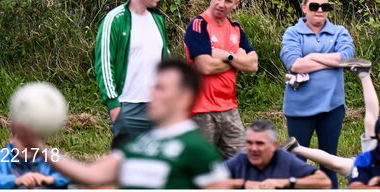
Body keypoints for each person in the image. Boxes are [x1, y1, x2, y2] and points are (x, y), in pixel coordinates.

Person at [13, 58, 229, 190]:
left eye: (161, 88)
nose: (151, 94)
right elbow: (89, 175)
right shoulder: (138, 143)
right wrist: (38, 147)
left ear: (184, 97)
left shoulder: (197, 149)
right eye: (153, 86)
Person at [281, 0, 363, 189]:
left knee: (329, 161)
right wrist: (328, 59)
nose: (320, 11)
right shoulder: (292, 33)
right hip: (299, 109)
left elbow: (346, 58)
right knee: (296, 163)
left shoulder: (339, 32)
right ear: (304, 8)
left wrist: (313, 56)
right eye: (314, 6)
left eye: (325, 7)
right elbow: (295, 64)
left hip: (332, 107)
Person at [94, 0, 169, 148]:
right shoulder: (115, 20)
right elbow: (104, 64)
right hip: (128, 108)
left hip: (157, 106)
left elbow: (165, 61)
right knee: (127, 170)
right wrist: (114, 106)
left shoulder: (158, 19)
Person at [184, 0, 258, 158]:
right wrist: (237, 60)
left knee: (242, 163)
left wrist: (226, 55)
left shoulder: (236, 28)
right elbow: (205, 66)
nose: (222, 4)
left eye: (228, 1)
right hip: (201, 110)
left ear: (236, 4)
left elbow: (253, 64)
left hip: (229, 108)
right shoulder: (198, 25)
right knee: (202, 168)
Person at [283, 66, 380, 179]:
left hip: (371, 171)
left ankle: (296, 148)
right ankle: (296, 148)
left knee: (334, 163)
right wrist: (365, 76)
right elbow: (372, 117)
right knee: (334, 163)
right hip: (373, 166)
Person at [224, 120, 330, 188]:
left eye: (260, 143)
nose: (253, 148)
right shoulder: (240, 160)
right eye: (249, 143)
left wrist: (286, 182)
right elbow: (208, 180)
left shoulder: (284, 159)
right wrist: (243, 184)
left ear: (274, 145)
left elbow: (324, 182)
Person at [0, 123, 67, 190]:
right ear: (12, 138)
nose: (27, 143)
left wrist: (50, 179)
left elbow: (73, 174)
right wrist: (16, 180)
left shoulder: (50, 156)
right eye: (22, 138)